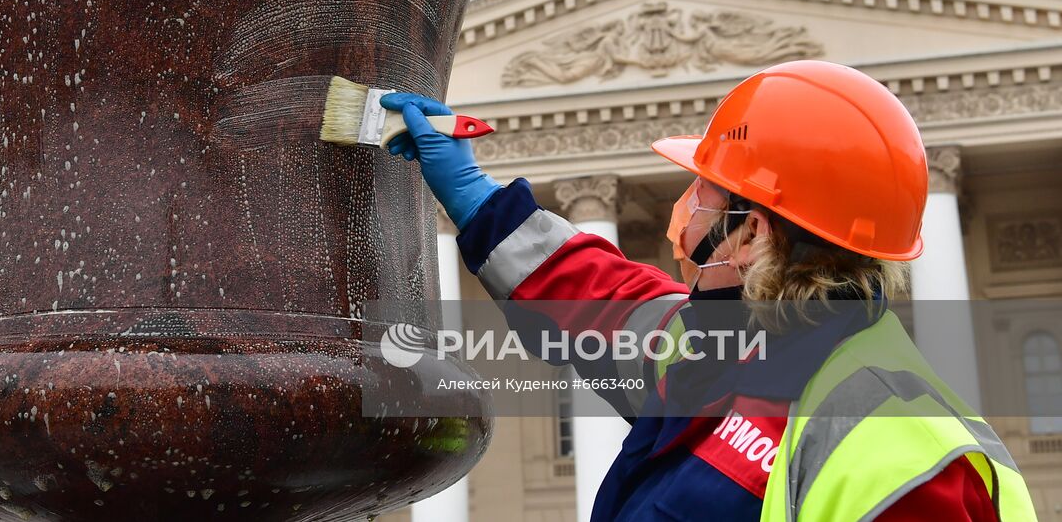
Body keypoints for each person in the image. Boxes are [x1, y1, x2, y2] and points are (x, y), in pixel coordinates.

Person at [381, 60, 1034, 522]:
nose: (687, 204)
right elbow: (602, 297)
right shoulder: (723, 344)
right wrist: (473, 197)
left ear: (749, 233)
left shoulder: (903, 458)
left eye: (706, 189)